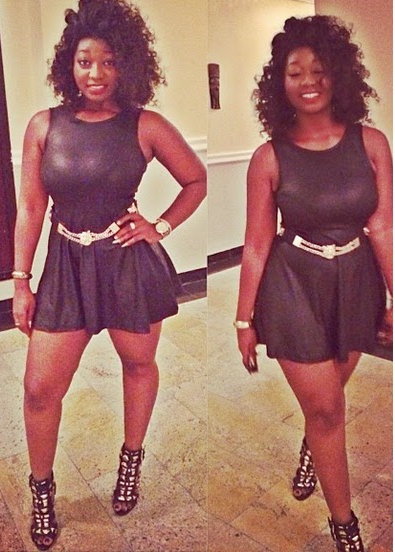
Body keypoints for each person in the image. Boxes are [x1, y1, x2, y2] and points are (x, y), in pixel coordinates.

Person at [11, 0, 207, 549]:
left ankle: (131, 460)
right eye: (84, 61)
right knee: (39, 390)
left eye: (108, 61)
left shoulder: (146, 125)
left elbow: (196, 180)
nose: (95, 73)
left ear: (127, 65)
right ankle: (42, 490)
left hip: (126, 266)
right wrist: (21, 281)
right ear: (68, 65)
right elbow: (31, 208)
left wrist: (159, 226)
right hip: (65, 266)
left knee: (138, 364)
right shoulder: (44, 125)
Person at [235, 15, 392, 552]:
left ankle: (312, 448)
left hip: (356, 282)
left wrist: (393, 294)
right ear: (279, 83)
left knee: (329, 396)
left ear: (338, 74)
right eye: (294, 71)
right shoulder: (269, 157)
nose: (308, 80)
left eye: (319, 69)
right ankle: (345, 526)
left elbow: (382, 227)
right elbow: (257, 244)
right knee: (327, 409)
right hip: (293, 284)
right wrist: (243, 318)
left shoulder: (372, 144)